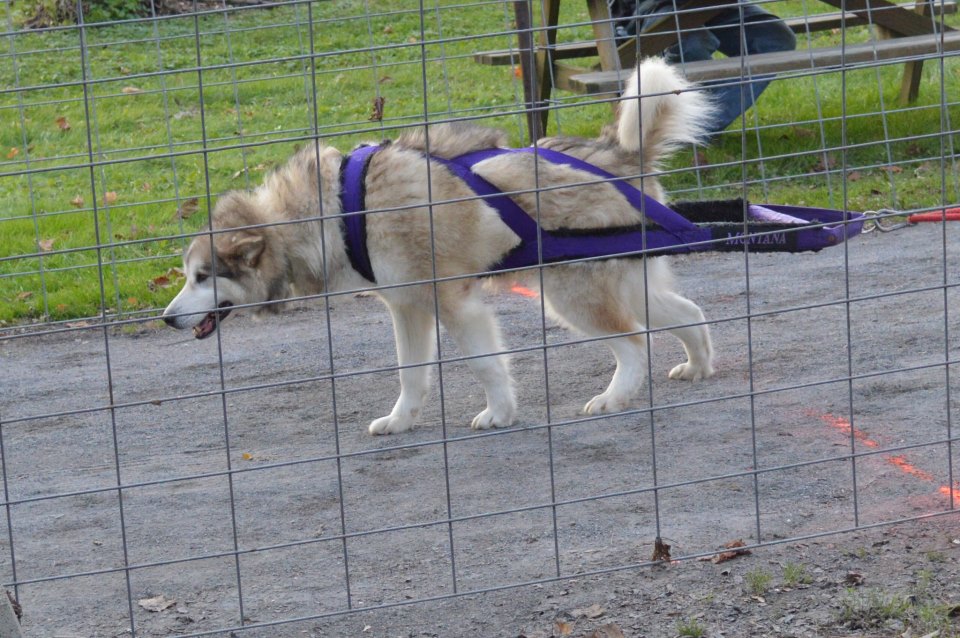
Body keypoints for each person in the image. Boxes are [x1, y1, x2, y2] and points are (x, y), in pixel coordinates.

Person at [609, 0, 797, 133]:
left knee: (775, 40)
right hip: (649, 6)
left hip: (714, 5)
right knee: (691, 45)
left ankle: (698, 126)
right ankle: (685, 126)